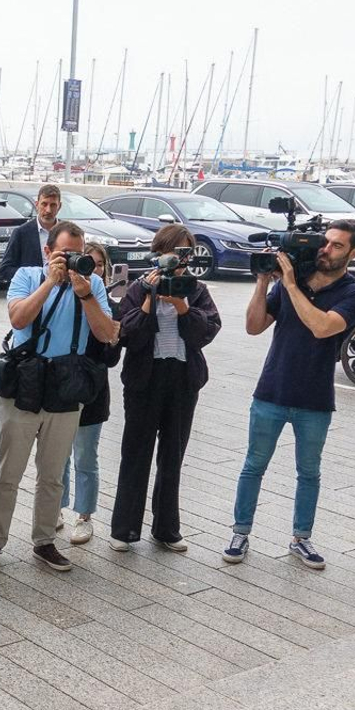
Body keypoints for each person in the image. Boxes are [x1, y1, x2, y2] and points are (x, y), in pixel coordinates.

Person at [222, 220, 355, 571]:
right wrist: (263, 282)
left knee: (309, 472)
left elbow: (322, 327)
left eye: (337, 246)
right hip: (271, 390)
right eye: (325, 242)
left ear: (353, 252)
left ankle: (301, 538)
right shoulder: (296, 281)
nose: (325, 249)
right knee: (253, 466)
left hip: (315, 397)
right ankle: (240, 532)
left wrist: (289, 284)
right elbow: (253, 326)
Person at [0, 221, 118, 575]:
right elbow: (18, 316)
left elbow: (107, 335)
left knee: (53, 474)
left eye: (79, 254)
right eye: (65, 254)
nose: (74, 261)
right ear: (47, 252)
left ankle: (44, 541)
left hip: (66, 384)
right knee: (8, 471)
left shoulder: (94, 283)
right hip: (25, 380)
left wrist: (84, 293)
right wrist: (50, 282)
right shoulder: (27, 275)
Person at [109, 224, 222, 553]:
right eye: (174, 252)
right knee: (135, 453)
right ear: (159, 253)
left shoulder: (196, 289)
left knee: (173, 455)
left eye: (186, 252)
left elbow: (206, 332)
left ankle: (166, 529)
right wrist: (149, 299)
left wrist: (183, 305)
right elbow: (127, 334)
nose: (179, 260)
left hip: (183, 379)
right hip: (145, 378)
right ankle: (125, 528)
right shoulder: (140, 287)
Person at [58, 240, 123, 546]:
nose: (91, 270)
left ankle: (84, 515)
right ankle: (55, 507)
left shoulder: (109, 304)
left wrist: (91, 302)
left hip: (92, 389)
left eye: (98, 265)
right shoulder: (63, 295)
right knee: (58, 455)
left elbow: (111, 356)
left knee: (85, 455)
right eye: (87, 262)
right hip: (62, 385)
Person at [0, 183, 63, 284]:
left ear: (59, 206)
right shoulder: (21, 233)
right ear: (37, 205)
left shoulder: (68, 233)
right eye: (44, 204)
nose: (48, 210)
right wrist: (36, 278)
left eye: (53, 205)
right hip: (31, 295)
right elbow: (5, 270)